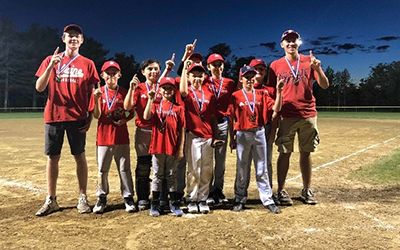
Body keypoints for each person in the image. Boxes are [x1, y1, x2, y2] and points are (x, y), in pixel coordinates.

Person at [35, 24, 100, 216]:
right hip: (54, 116)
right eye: (69, 36)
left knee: (79, 156)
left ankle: (82, 197)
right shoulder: (50, 60)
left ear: (82, 40)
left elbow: (92, 93)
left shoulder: (88, 63)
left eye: (77, 36)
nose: (73, 39)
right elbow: (39, 87)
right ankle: (51, 199)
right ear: (63, 39)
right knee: (53, 158)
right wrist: (51, 67)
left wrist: (89, 117)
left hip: (77, 117)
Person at [267, 30, 329, 205]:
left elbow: (324, 85)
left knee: (306, 152)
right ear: (282, 44)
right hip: (286, 115)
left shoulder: (309, 61)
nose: (291, 44)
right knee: (284, 153)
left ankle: (307, 189)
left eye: (294, 40)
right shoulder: (275, 65)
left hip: (308, 114)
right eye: (287, 41)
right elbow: (271, 92)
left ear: (299, 43)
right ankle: (281, 190)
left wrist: (318, 69)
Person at [228, 65, 283, 213]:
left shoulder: (262, 94)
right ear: (241, 79)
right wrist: (231, 137)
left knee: (262, 167)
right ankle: (240, 198)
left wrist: (279, 91)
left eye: (252, 77)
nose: (250, 80)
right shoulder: (236, 95)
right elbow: (231, 117)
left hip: (259, 132)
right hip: (243, 134)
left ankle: (267, 199)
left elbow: (276, 109)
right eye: (247, 77)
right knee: (242, 167)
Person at [89, 61, 136, 214]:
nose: (111, 76)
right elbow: (96, 115)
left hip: (121, 137)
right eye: (108, 73)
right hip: (103, 137)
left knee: (125, 169)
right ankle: (102, 198)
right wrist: (96, 99)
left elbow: (132, 112)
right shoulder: (98, 92)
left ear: (119, 75)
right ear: (102, 75)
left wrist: (125, 120)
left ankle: (128, 198)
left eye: (114, 73)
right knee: (102, 170)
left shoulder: (124, 92)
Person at [180, 61, 223, 214]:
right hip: (193, 135)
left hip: (208, 136)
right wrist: (185, 69)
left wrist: (216, 136)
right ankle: (192, 198)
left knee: (206, 169)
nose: (197, 79)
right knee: (193, 168)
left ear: (204, 77)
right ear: (189, 77)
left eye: (200, 76)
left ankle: (202, 198)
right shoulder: (187, 92)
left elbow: (212, 117)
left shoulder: (209, 94)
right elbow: (183, 91)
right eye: (194, 76)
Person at [143, 77, 185, 217]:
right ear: (160, 90)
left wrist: (180, 149)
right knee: (157, 175)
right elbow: (146, 116)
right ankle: (154, 204)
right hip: (157, 146)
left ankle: (173, 203)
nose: (167, 90)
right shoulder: (155, 105)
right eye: (164, 88)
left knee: (171, 175)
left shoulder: (178, 108)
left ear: (174, 90)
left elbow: (182, 130)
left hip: (172, 147)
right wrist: (150, 99)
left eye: (170, 88)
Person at [124, 59, 163, 211]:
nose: (153, 72)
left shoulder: (163, 87)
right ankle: (142, 197)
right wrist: (131, 89)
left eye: (156, 69)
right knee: (143, 165)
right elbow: (127, 107)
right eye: (150, 69)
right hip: (144, 131)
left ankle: (160, 197)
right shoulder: (139, 88)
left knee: (160, 166)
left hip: (160, 131)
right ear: (143, 72)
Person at [205, 53, 235, 206]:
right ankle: (208, 190)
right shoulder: (203, 81)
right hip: (207, 126)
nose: (217, 67)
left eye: (220, 64)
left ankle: (218, 189)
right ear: (208, 67)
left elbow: (231, 108)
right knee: (208, 160)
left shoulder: (229, 83)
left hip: (222, 124)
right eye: (214, 65)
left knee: (221, 161)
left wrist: (233, 133)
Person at [250, 58, 278, 202]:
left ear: (265, 72)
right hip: (247, 129)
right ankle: (241, 195)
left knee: (266, 163)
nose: (258, 72)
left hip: (265, 128)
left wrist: (273, 132)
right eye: (255, 69)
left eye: (261, 69)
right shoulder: (243, 89)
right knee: (245, 163)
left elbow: (275, 114)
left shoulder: (270, 90)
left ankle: (269, 192)